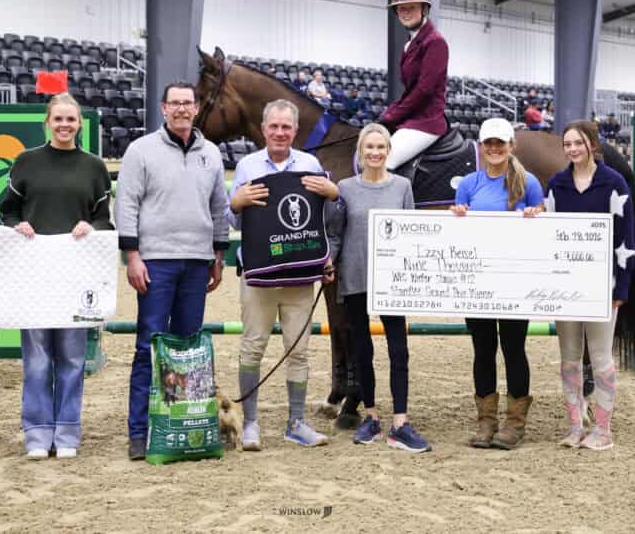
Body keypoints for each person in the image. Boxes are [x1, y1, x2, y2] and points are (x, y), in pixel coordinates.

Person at [115, 81, 230, 461]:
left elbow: (218, 208)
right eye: (174, 103)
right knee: (148, 344)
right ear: (163, 108)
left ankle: (180, 426)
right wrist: (132, 255)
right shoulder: (140, 150)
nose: (181, 109)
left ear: (197, 108)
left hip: (197, 262)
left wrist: (218, 254)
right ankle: (139, 431)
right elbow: (126, 204)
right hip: (155, 261)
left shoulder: (211, 153)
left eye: (188, 103)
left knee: (187, 349)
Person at [0, 93, 113, 459]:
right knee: (36, 359)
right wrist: (20, 225)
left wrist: (89, 225)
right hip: (35, 275)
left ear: (80, 124)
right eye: (58, 119)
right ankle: (36, 432)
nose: (65, 126)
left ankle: (67, 432)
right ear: (47, 122)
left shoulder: (94, 167)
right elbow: (8, 211)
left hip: (76, 278)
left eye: (71, 120)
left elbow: (102, 218)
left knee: (72, 358)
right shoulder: (27, 162)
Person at [228, 98, 338, 451]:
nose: (279, 132)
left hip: (300, 277)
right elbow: (231, 220)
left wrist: (333, 192)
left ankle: (296, 423)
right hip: (258, 275)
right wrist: (236, 202)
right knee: (253, 347)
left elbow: (324, 216)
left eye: (286, 127)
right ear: (263, 130)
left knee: (299, 351)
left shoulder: (310, 164)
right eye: (273, 126)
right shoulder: (246, 166)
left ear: (294, 130)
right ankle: (250, 424)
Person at [327, 123, 430, 452]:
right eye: (369, 147)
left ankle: (400, 421)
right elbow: (335, 233)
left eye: (380, 147)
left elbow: (411, 231)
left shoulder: (402, 187)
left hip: (392, 282)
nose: (374, 153)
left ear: (388, 151)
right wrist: (329, 259)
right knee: (362, 351)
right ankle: (370, 416)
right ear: (361, 151)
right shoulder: (344, 187)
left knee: (399, 351)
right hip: (355, 277)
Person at [450, 118, 544, 450]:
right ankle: (486, 422)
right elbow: (458, 230)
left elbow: (542, 221)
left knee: (514, 349)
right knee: (483, 350)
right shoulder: (468, 185)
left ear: (510, 146)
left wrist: (538, 214)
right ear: (481, 146)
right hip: (477, 282)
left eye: (500, 143)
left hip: (515, 282)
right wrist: (458, 215)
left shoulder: (528, 182)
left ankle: (515, 423)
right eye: (488, 143)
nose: (494, 148)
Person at [545, 120, 635, 451]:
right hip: (566, 288)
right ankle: (574, 425)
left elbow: (626, 238)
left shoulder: (614, 184)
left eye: (578, 143)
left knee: (600, 357)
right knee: (569, 358)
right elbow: (547, 233)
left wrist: (621, 289)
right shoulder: (556, 185)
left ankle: (604, 429)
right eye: (567, 144)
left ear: (592, 145)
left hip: (602, 286)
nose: (572, 149)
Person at [379, 0, 449, 170]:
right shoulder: (411, 43)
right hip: (412, 118)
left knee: (382, 161)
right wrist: (389, 113)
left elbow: (424, 90)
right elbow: (410, 91)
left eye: (411, 7)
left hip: (427, 121)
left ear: (424, 9)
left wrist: (392, 116)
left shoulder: (435, 42)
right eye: (401, 8)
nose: (406, 13)